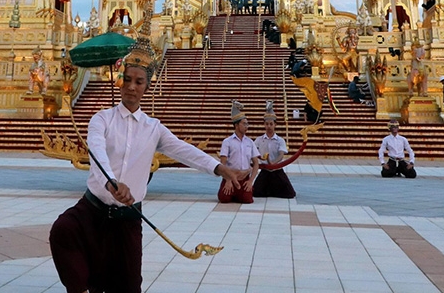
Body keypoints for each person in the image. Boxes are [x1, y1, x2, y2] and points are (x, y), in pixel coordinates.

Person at [48, 44, 249, 293]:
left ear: (146, 87)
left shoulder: (153, 127)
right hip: (92, 211)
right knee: (62, 230)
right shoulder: (101, 119)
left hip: (127, 219)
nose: (132, 86)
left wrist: (220, 168)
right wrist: (112, 182)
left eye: (139, 82)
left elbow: (183, 150)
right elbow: (97, 151)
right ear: (120, 81)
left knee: (129, 286)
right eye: (128, 79)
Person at [252, 102, 295, 199]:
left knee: (290, 194)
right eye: (267, 124)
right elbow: (253, 152)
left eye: (271, 124)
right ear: (264, 125)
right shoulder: (259, 140)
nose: (269, 127)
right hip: (265, 170)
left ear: (275, 125)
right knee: (256, 193)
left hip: (277, 169)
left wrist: (273, 163)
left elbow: (281, 155)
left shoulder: (280, 140)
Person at [219, 101, 259, 203]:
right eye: (244, 124)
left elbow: (256, 163)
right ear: (237, 125)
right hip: (230, 176)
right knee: (224, 199)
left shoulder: (250, 142)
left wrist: (250, 181)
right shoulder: (227, 142)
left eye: (247, 124)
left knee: (247, 200)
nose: (247, 126)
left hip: (244, 177)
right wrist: (228, 180)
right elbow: (222, 163)